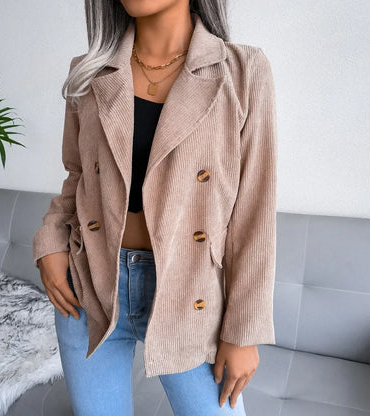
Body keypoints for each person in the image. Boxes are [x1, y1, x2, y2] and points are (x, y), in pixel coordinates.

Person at [33, 1, 278, 415]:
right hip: (90, 285)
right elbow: (77, 176)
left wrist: (243, 330)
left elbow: (255, 211)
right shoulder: (91, 72)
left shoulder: (242, 72)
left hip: (189, 295)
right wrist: (50, 243)